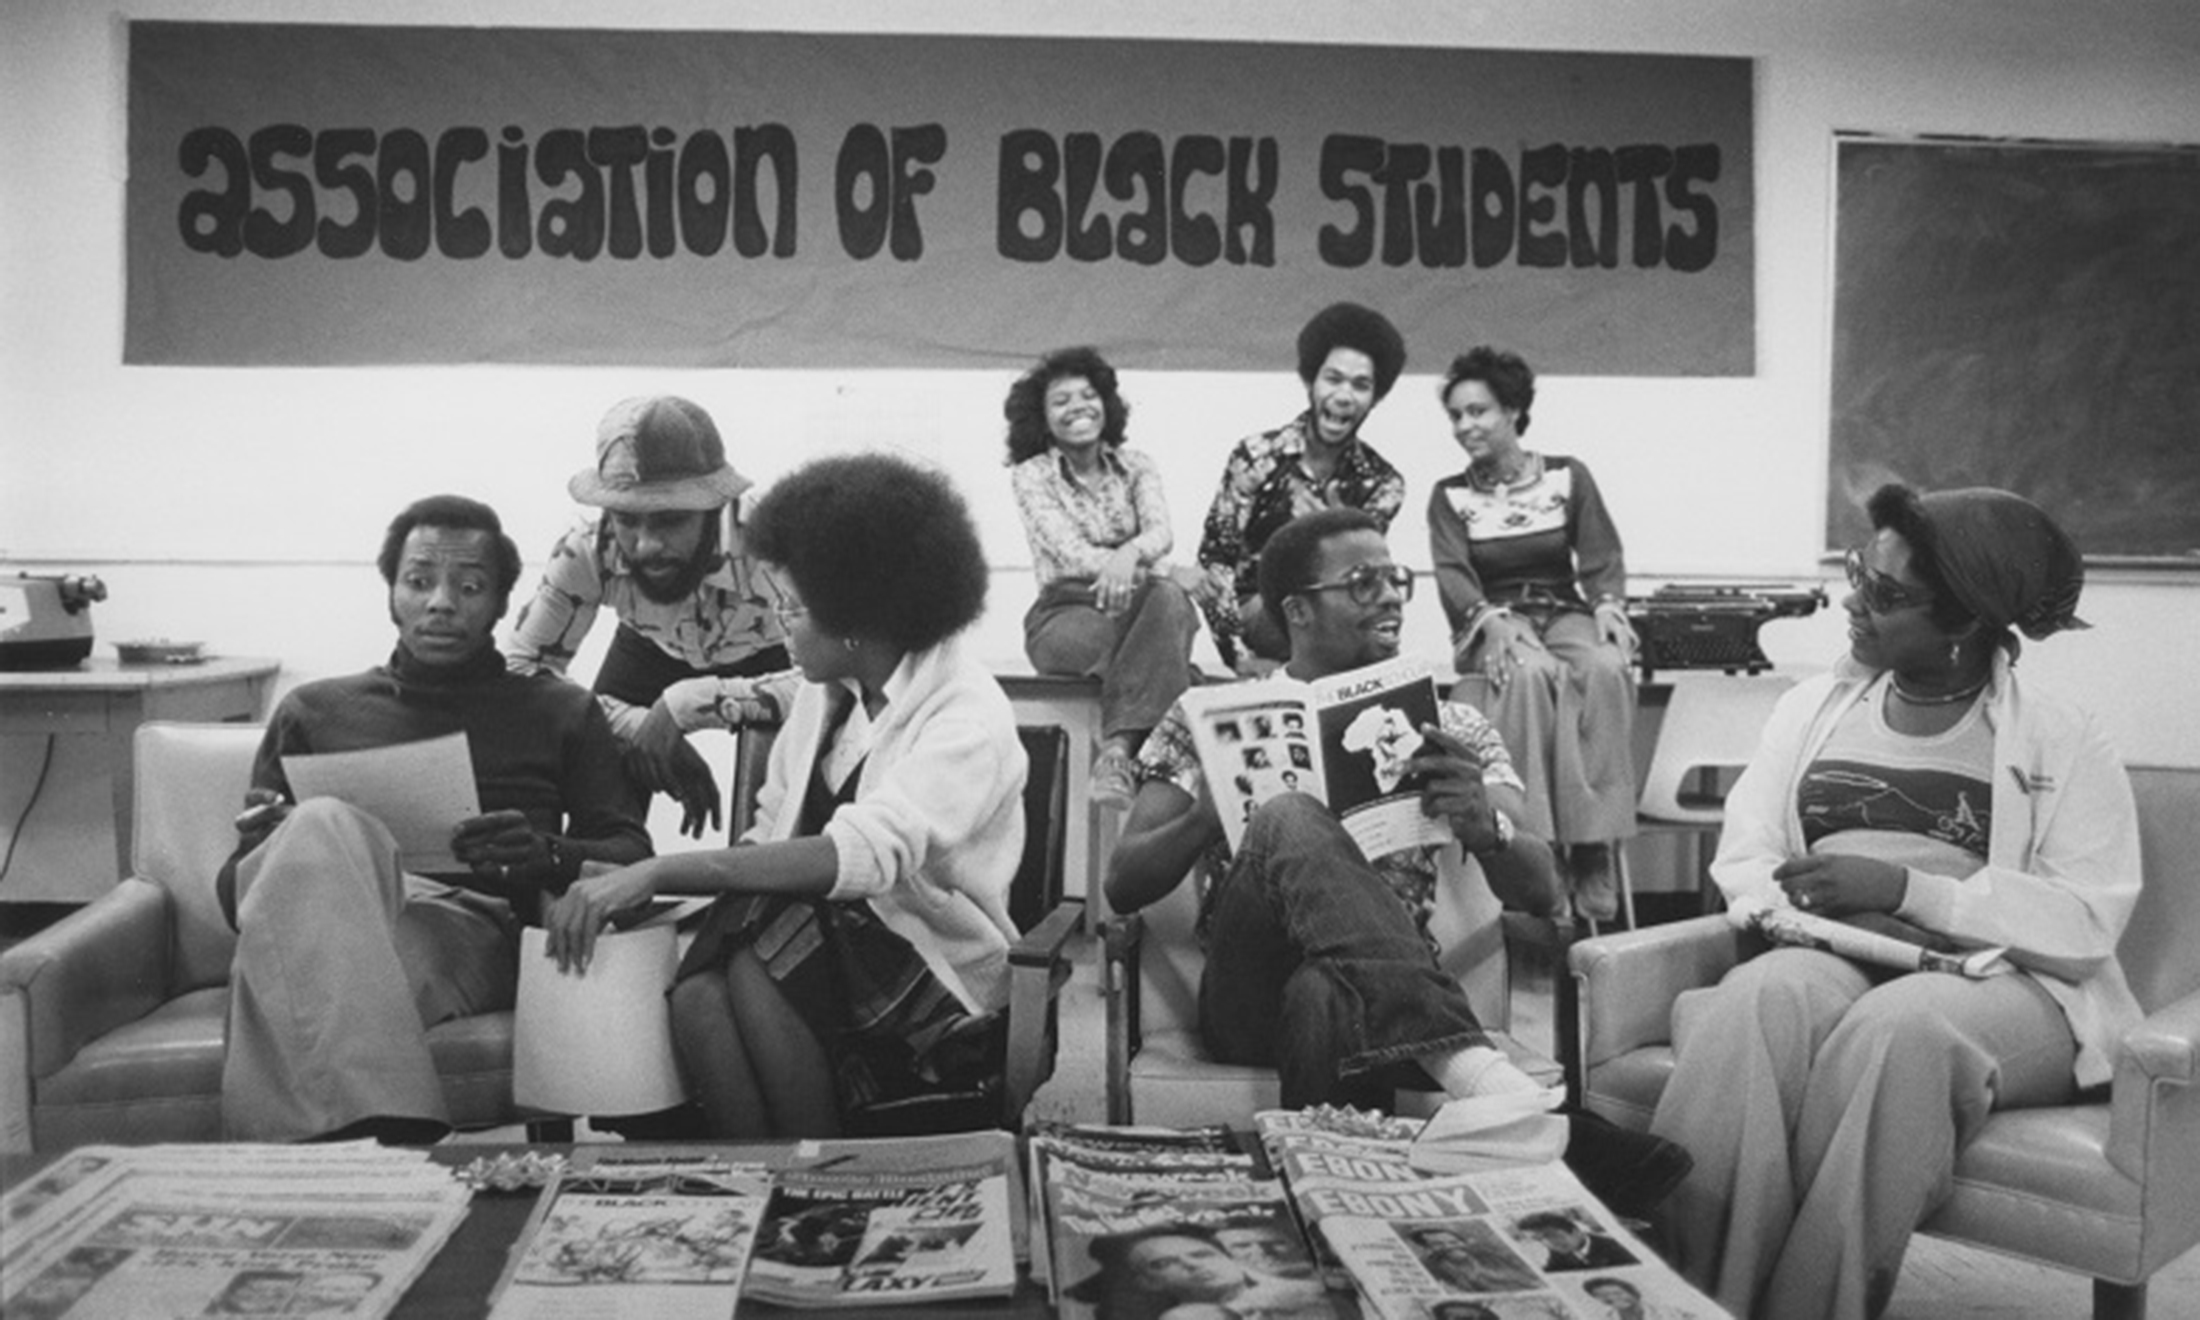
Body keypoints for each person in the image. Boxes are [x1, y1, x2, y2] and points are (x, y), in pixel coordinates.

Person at [1107, 507, 1691, 1218]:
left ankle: (1346, 1218)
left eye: (1395, 579)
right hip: (1246, 987)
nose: (1389, 595)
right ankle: (1476, 1071)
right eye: (1361, 582)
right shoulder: (1209, 714)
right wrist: (1217, 804)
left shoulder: (1453, 724)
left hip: (1373, 1006)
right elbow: (1124, 882)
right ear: (1297, 609)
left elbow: (1543, 891)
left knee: (1323, 993)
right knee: (1288, 814)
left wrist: (1483, 821)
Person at [1647, 485, 2136, 1320]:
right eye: (1858, 574)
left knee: (1898, 1032)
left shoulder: (2063, 734)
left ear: (1964, 623)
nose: (1853, 603)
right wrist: (1812, 917)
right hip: (1829, 946)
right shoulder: (1810, 709)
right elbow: (1748, 857)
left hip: (1999, 980)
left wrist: (1912, 894)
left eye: (1885, 594)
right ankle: (1681, 1304)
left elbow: (2086, 921)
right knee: (1754, 1002)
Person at [543, 453, 1025, 1140]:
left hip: (936, 988)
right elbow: (768, 839)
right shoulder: (826, 698)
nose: (777, 627)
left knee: (759, 949)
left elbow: (859, 859)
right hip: (824, 962)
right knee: (699, 995)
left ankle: (819, 1172)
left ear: (858, 613)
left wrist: (657, 868)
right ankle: (759, 1182)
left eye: (791, 609)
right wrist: (640, 888)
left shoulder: (964, 715)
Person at [215, 495, 651, 1144]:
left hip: (466, 925)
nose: (441, 601)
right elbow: (235, 898)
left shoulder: (558, 710)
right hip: (317, 911)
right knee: (319, 828)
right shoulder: (312, 709)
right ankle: (388, 1143)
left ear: (503, 603)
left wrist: (545, 852)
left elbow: (631, 857)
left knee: (299, 977)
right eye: (419, 581)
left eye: (468, 586)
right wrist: (269, 843)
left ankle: (329, 1167)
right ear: (392, 593)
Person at [508, 395, 791, 837]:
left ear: (713, 509)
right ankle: (601, 886)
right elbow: (522, 672)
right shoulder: (585, 548)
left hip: (774, 653)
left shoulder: (774, 545)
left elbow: (834, 684)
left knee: (793, 797)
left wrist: (682, 707)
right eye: (626, 520)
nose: (644, 546)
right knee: (596, 761)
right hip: (647, 649)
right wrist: (638, 726)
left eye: (669, 521)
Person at [1427, 347, 1637, 921]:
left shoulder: (1569, 475)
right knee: (1529, 673)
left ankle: (1593, 846)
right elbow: (1452, 574)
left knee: (1605, 667)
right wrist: (1490, 622)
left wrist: (1609, 608)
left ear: (1514, 410)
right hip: (1494, 618)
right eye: (1457, 416)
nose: (1465, 426)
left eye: (1479, 412)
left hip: (1561, 609)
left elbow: (1600, 554)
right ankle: (1537, 845)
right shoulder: (1449, 495)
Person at [1006, 346, 1203, 806]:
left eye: (1087, 395)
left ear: (1106, 404)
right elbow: (1069, 554)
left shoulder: (1138, 466)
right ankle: (1174, 694)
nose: (1078, 407)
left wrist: (1131, 554)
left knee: (1169, 602)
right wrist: (1155, 568)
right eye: (1061, 401)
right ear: (1043, 417)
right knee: (1170, 626)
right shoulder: (1031, 475)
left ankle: (1116, 754)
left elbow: (1160, 531)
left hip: (1143, 605)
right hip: (1064, 614)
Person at [1196, 302, 1408, 672]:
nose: (1344, 395)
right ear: (1312, 381)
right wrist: (1239, 658)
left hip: (1337, 614)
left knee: (1369, 605)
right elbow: (1216, 562)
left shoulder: (1383, 483)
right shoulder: (1257, 457)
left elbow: (1364, 581)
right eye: (1333, 379)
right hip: (1263, 612)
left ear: (1375, 398)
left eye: (1361, 385)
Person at [1083, 1224, 1331, 1320]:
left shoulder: (1311, 1293)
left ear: (1232, 1260)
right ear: (1147, 1283)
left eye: (1202, 1255)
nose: (1193, 1265)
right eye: (1164, 1263)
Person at [1403, 1222, 1542, 1293]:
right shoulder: (1433, 1269)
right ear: (1429, 1249)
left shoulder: (1494, 1260)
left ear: (1464, 1242)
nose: (1447, 1247)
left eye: (1453, 1242)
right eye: (1437, 1244)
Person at [1512, 1211, 1636, 1272]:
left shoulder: (1617, 1248)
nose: (1548, 1244)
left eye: (1552, 1235)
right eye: (1538, 1239)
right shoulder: (1557, 1255)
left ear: (1576, 1231)